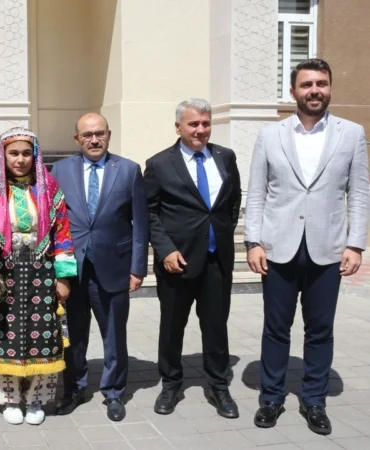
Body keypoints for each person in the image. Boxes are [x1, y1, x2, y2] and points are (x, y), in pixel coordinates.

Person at [245, 58, 370, 435]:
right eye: (307, 84)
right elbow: (256, 193)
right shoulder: (270, 135)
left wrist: (356, 245)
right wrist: (253, 241)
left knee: (320, 329)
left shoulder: (352, 134)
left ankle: (314, 400)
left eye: (321, 84)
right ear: (293, 91)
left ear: (329, 88)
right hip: (278, 247)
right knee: (276, 328)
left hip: (327, 248)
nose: (314, 90)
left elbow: (359, 193)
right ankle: (271, 397)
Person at [144, 98, 242, 418]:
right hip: (177, 262)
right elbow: (150, 213)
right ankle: (171, 383)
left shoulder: (225, 158)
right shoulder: (159, 164)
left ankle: (218, 385)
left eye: (205, 123)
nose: (201, 130)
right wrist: (165, 249)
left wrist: (221, 235)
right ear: (178, 127)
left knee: (216, 326)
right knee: (173, 327)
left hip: (217, 260)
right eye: (193, 124)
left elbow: (230, 203)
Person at [51, 112, 149, 422]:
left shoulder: (129, 170)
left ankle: (114, 392)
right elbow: (52, 220)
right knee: (74, 335)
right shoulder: (60, 169)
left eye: (100, 133)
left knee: (114, 334)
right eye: (87, 134)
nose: (94, 139)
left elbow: (140, 224)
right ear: (76, 139)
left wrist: (138, 268)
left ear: (109, 134)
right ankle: (74, 388)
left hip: (114, 267)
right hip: (72, 269)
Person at [0, 127, 76, 425]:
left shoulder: (49, 188)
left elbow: (62, 233)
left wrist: (63, 278)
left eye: (26, 153)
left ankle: (37, 398)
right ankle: (9, 397)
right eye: (14, 153)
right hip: (4, 274)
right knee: (4, 333)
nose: (20, 159)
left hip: (42, 272)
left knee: (44, 335)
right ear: (4, 155)